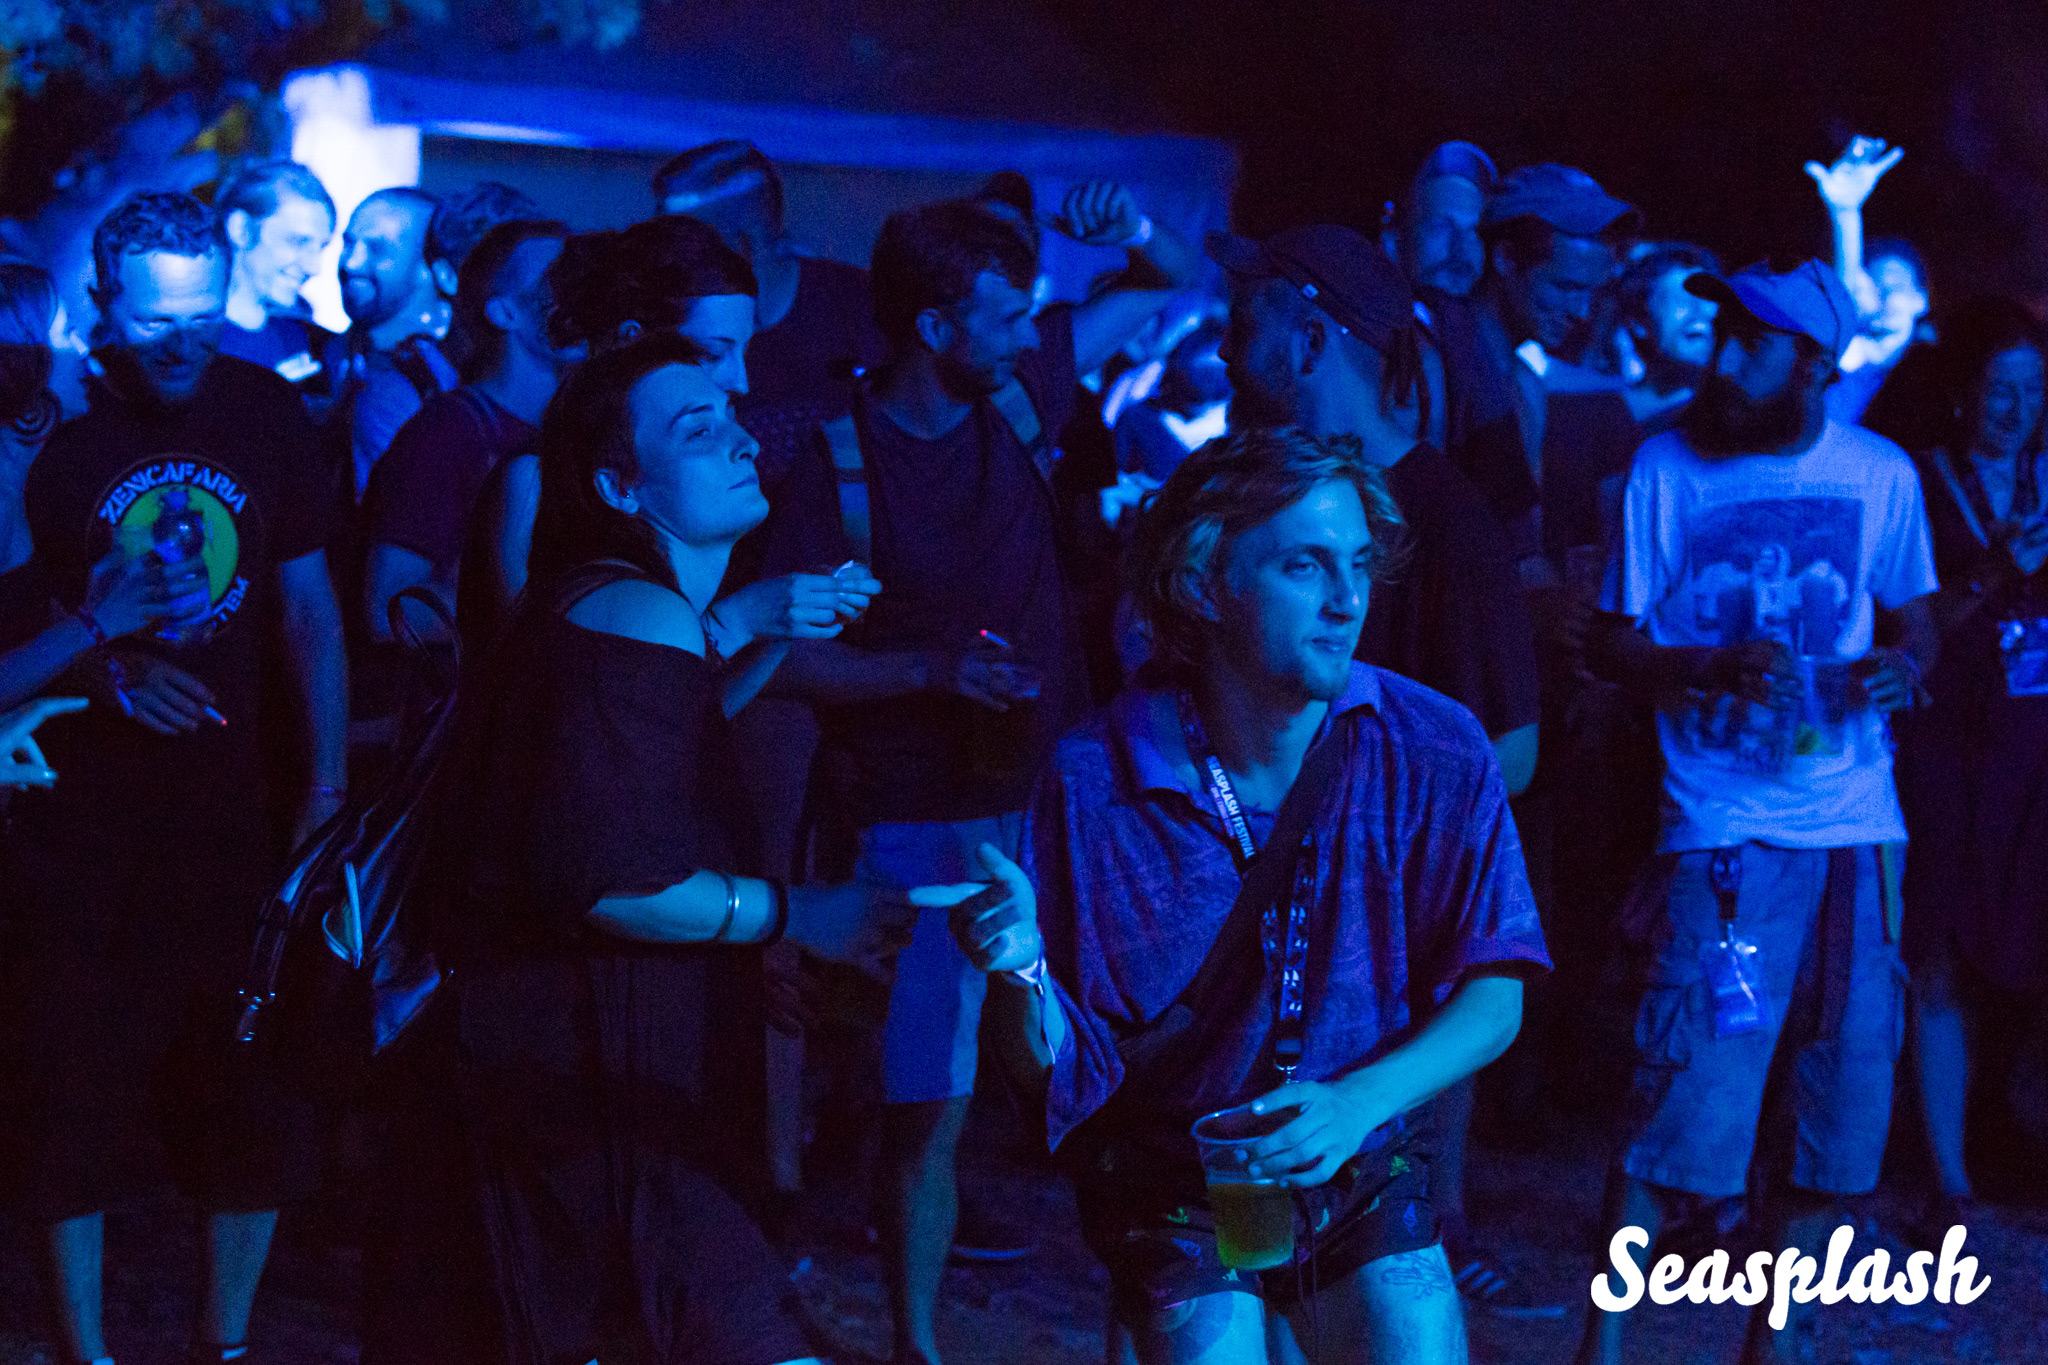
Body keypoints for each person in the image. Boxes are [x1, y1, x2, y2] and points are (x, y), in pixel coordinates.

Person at [917, 425, 1547, 1364]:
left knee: (1416, 1337)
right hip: (1176, 1172)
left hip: (1357, 1150)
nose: (1347, 600)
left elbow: (1498, 993)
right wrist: (1020, 973)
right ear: (1205, 585)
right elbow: (1054, 1073)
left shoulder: (1431, 744)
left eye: (1359, 564)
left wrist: (1355, 1103)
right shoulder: (1097, 777)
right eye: (1305, 565)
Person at [749, 188, 1197, 1364]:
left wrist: (1130, 227)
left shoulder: (1020, 390)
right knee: (925, 1111)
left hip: (1054, 809)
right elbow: (777, 657)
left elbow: (1171, 277)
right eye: (1003, 315)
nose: (1024, 332)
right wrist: (929, 671)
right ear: (935, 327)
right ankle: (916, 1344)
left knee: (1101, 1084)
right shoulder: (838, 463)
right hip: (912, 820)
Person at [438, 331, 903, 1365]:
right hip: (594, 1087)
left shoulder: (618, 605)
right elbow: (613, 883)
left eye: (732, 418)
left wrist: (769, 631)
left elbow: (655, 763)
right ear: (618, 485)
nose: (741, 440)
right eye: (698, 430)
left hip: (591, 1073)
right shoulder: (638, 612)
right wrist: (796, 915)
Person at [1, 191, 348, 1365]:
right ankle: (81, 1348)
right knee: (67, 1088)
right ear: (106, 307)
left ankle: (224, 1344)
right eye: (157, 323)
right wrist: (106, 669)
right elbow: (23, 622)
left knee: (247, 1086)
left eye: (203, 316)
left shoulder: (263, 410)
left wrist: (324, 786)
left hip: (232, 804)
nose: (184, 344)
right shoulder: (51, 427)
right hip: (75, 819)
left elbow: (308, 608)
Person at [1576, 260, 1940, 1365]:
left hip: (1857, 838)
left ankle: (1776, 1346)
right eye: (1723, 334)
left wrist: (1901, 668)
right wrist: (1705, 665)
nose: (1723, 360)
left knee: (1838, 1109)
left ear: (1814, 367)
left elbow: (1916, 620)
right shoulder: (1664, 468)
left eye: (1752, 345)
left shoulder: (1879, 473)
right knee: (1679, 1097)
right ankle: (1602, 1348)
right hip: (1720, 835)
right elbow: (1610, 639)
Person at [1208, 222, 1553, 1317]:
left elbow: (1510, 748)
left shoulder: (1444, 523)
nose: (1222, 343)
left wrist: (1346, 830)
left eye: (1246, 316)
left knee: (1375, 1254)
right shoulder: (1250, 509)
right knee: (1240, 1263)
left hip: (1382, 963)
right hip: (1266, 949)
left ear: (1308, 339)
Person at [1893, 298, 2048, 1242]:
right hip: (1949, 740)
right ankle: (1947, 1174)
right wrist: (1994, 570)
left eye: (2033, 390)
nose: (2017, 410)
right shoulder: (1917, 483)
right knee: (1943, 941)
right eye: (2000, 390)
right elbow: (1908, 630)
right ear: (1963, 393)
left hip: (2036, 747)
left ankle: (2010, 1132)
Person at [459, 213, 761, 647]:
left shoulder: (698, 478)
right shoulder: (532, 479)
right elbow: (529, 667)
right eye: (713, 352)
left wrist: (774, 629)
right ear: (631, 339)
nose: (741, 381)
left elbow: (690, 684)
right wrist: (739, 620)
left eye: (747, 349)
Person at [0, 257, 202, 715]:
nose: (81, 348)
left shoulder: (20, 477)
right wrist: (97, 622)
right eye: (64, 333)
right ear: (20, 364)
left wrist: (113, 664)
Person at [361, 218, 573, 649]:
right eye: (555, 279)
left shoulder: (575, 431)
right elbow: (387, 610)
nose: (579, 291)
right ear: (504, 312)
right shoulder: (448, 431)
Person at [653, 140, 887, 471]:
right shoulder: (669, 328)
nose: (667, 264)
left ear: (742, 245)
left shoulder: (865, 307)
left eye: (682, 245)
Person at [338, 187, 457, 499]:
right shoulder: (328, 353)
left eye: (377, 249)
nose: (351, 263)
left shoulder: (448, 371)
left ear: (428, 266)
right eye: (348, 244)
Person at [1807, 136, 1931, 427]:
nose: (1884, 299)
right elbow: (1843, 292)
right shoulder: (1844, 360)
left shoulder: (1936, 373)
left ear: (1921, 299)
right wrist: (1845, 213)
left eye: (1895, 287)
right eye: (1873, 288)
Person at [213, 159, 343, 404]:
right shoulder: (192, 340)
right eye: (297, 242)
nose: (313, 267)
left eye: (321, 247)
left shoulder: (300, 341)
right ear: (240, 229)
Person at [1611, 243, 1722, 437]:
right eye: (1682, 299)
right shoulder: (1602, 412)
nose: (1702, 311)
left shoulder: (1735, 417)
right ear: (1638, 321)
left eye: (1709, 298)